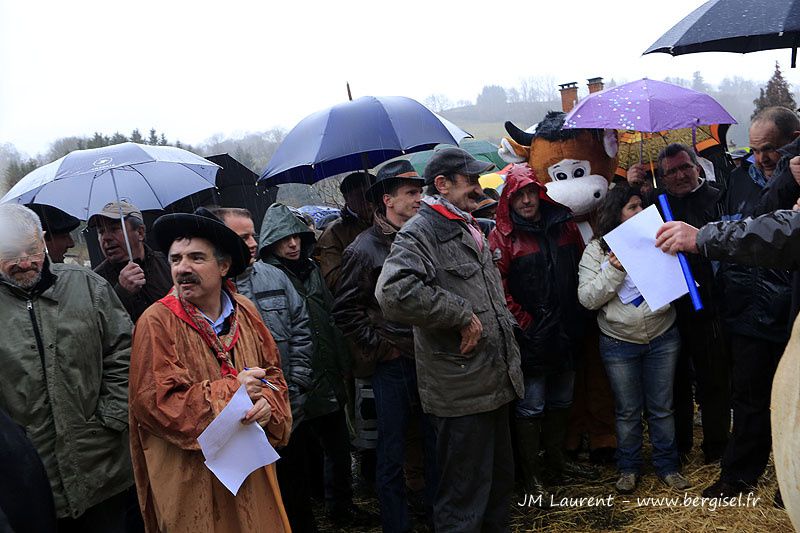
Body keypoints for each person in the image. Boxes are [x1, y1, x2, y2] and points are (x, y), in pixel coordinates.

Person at [375, 147, 524, 532]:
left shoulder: (466, 224)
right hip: (460, 391)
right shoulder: (422, 231)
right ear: (441, 184)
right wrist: (459, 314)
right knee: (463, 502)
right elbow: (393, 292)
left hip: (493, 381)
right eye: (469, 180)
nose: (477, 187)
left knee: (497, 489)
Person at [128, 207, 292, 532]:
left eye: (196, 258)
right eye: (176, 260)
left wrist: (265, 408)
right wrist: (234, 392)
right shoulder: (156, 322)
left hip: (249, 472)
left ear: (224, 265)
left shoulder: (246, 311)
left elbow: (273, 377)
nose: (183, 269)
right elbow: (154, 404)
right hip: (191, 479)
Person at [0, 204, 135, 532]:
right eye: (9, 254)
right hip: (30, 481)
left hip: (104, 469)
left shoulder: (87, 286)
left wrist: (112, 416)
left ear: (44, 241)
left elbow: (125, 352)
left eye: (31, 250)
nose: (23, 263)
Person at [695, 107, 797, 498]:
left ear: (795, 138)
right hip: (749, 308)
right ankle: (738, 477)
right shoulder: (736, 180)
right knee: (750, 399)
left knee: (795, 403)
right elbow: (735, 232)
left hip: (791, 310)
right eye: (755, 150)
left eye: (771, 148)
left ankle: (790, 484)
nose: (762, 158)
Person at [333, 160, 436, 532]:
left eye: (421, 192)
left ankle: (437, 518)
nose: (419, 199)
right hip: (392, 366)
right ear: (388, 199)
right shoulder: (364, 249)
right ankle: (397, 525)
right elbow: (345, 310)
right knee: (391, 453)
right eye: (411, 193)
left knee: (432, 443)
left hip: (428, 359)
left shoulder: (424, 237)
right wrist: (381, 349)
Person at [259, 203, 376, 530]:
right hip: (292, 380)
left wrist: (343, 362)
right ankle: (305, 513)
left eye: (296, 237)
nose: (293, 245)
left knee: (338, 448)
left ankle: (341, 506)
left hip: (326, 372)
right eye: (285, 240)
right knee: (296, 456)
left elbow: (331, 316)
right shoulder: (267, 278)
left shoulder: (311, 269)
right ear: (272, 242)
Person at [488, 163, 596, 501]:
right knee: (531, 407)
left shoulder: (564, 225)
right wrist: (526, 324)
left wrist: (576, 317)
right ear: (510, 198)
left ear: (540, 192)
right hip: (531, 337)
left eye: (531, 192)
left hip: (566, 331)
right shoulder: (503, 237)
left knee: (562, 400)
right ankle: (532, 477)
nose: (526, 200)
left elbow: (582, 268)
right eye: (519, 194)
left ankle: (557, 463)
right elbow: (498, 288)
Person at [577, 184, 689, 493]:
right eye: (633, 207)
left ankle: (667, 466)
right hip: (619, 342)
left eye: (642, 206)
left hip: (663, 336)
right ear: (617, 212)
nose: (640, 212)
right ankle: (628, 468)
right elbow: (587, 298)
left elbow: (677, 279)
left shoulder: (659, 238)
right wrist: (614, 269)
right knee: (627, 410)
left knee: (662, 408)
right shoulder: (596, 249)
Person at [628, 144, 730, 464]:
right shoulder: (655, 204)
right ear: (663, 176)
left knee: (714, 380)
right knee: (676, 383)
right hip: (671, 308)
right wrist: (631, 186)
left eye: (684, 166)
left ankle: (716, 446)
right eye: (671, 171)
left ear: (696, 166)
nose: (680, 175)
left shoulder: (717, 198)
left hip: (710, 306)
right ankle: (681, 446)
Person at [213, 207, 314, 427]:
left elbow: (301, 329)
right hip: (240, 416)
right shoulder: (212, 292)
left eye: (253, 236)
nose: (252, 244)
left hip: (288, 404)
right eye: (243, 238)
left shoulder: (275, 277)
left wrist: (296, 384)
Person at [90, 201, 172, 322]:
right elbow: (96, 326)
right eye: (101, 231)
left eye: (114, 229)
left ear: (140, 232)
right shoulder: (94, 281)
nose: (106, 238)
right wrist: (122, 293)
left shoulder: (168, 263)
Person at [316, 171, 375, 290]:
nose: (368, 201)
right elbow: (333, 279)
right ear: (347, 198)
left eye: (372, 194)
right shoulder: (333, 233)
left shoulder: (386, 222)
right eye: (361, 195)